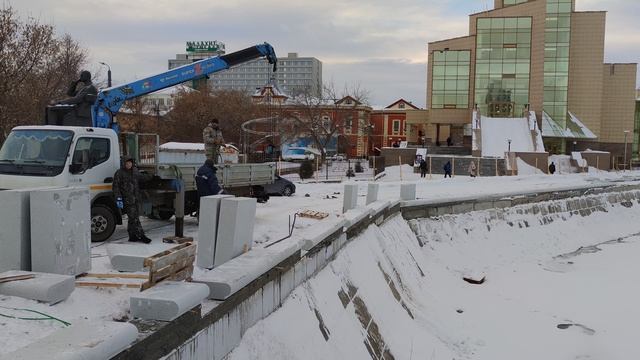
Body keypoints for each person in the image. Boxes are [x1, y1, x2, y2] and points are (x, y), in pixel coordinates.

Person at [113, 156, 152, 243]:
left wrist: (151, 176)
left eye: (130, 163)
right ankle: (142, 236)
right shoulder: (119, 173)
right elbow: (115, 188)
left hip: (136, 199)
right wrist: (118, 199)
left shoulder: (135, 171)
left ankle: (132, 236)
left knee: (132, 218)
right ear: (123, 163)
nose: (128, 164)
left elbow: (141, 177)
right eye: (127, 163)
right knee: (135, 218)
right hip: (127, 200)